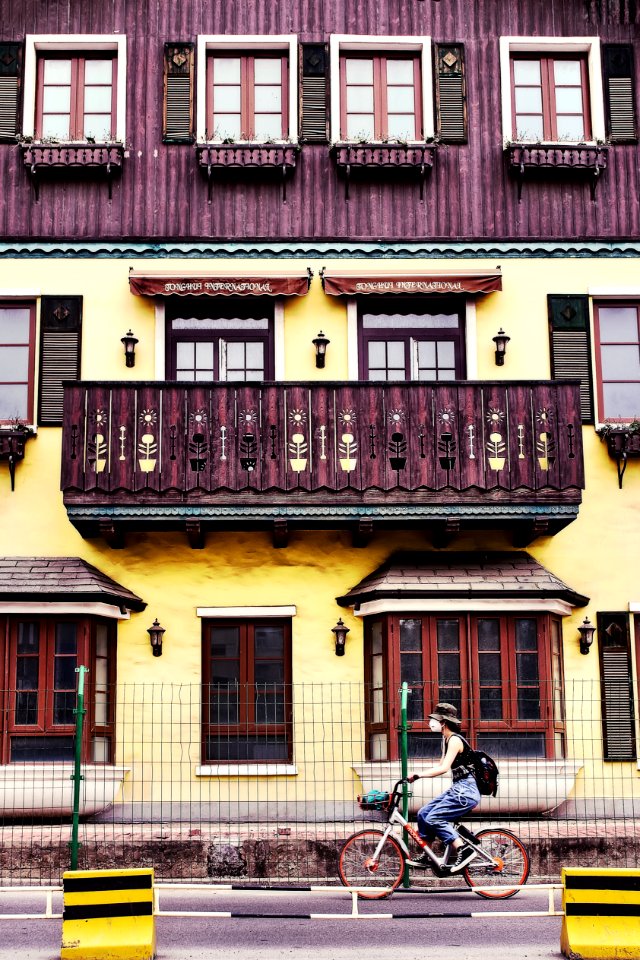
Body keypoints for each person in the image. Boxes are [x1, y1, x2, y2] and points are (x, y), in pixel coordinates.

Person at [407, 702, 481, 873]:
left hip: (466, 791)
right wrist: (419, 773)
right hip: (459, 788)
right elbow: (440, 765)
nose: (431, 722)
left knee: (434, 818)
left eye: (435, 719)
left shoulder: (455, 740)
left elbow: (443, 768)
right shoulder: (446, 739)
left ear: (444, 722)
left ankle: (464, 849)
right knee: (423, 814)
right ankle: (428, 854)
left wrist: (418, 775)